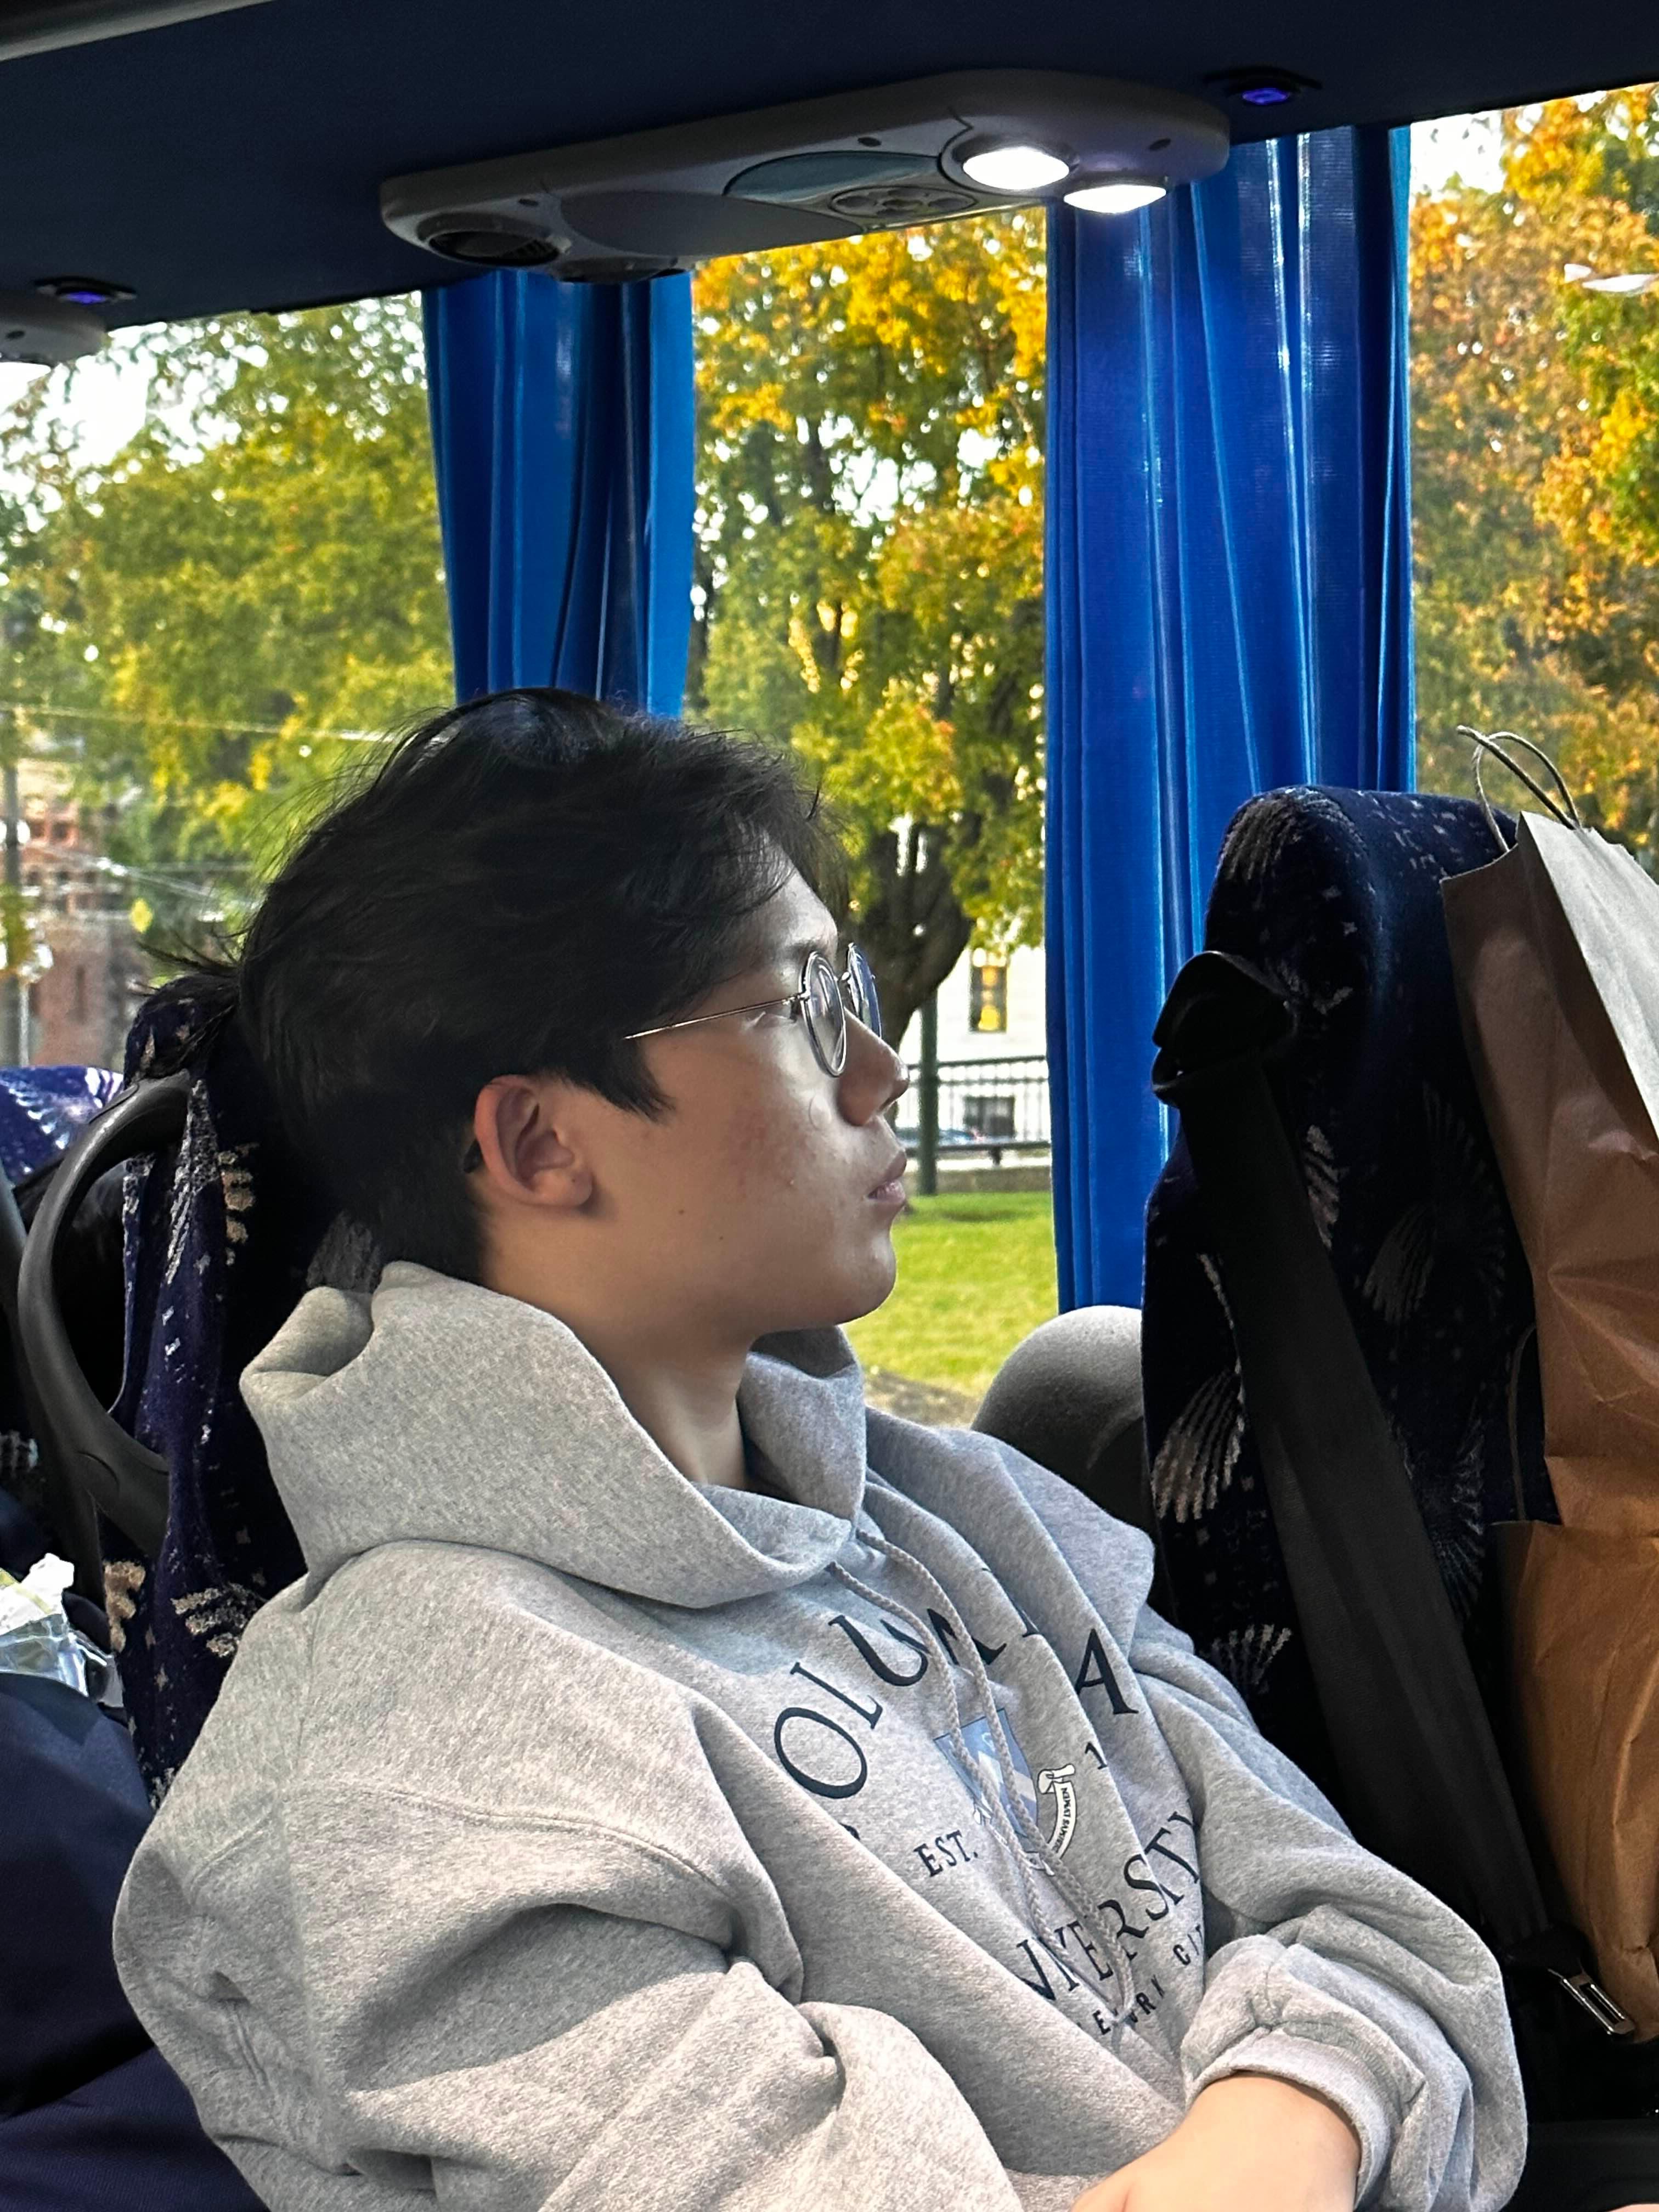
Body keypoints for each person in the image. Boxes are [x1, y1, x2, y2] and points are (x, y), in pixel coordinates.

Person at [114, 687, 1526, 2212]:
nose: (879, 1069)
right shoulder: (404, 1766)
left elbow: (1391, 1944)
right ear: (539, 1143)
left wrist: (1288, 2118)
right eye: (798, 1006)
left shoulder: (974, 1514)